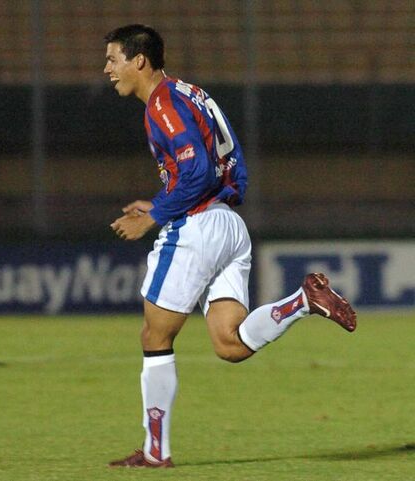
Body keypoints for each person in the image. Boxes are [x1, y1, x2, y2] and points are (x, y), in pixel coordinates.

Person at [103, 25, 357, 468]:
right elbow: (226, 166)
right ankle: (302, 302)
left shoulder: (162, 103)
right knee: (229, 344)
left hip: (197, 227)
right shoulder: (191, 93)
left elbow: (197, 170)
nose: (107, 69)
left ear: (138, 60)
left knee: (155, 334)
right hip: (228, 225)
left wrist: (156, 215)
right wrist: (166, 199)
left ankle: (154, 452)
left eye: (113, 59)